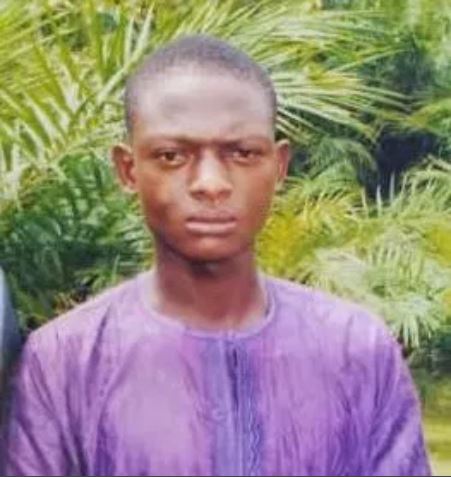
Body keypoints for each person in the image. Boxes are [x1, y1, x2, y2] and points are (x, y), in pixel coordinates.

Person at [1, 35, 431, 476]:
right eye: (172, 156)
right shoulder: (65, 361)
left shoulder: (358, 349)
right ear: (128, 170)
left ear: (279, 166)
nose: (210, 183)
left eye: (242, 153)